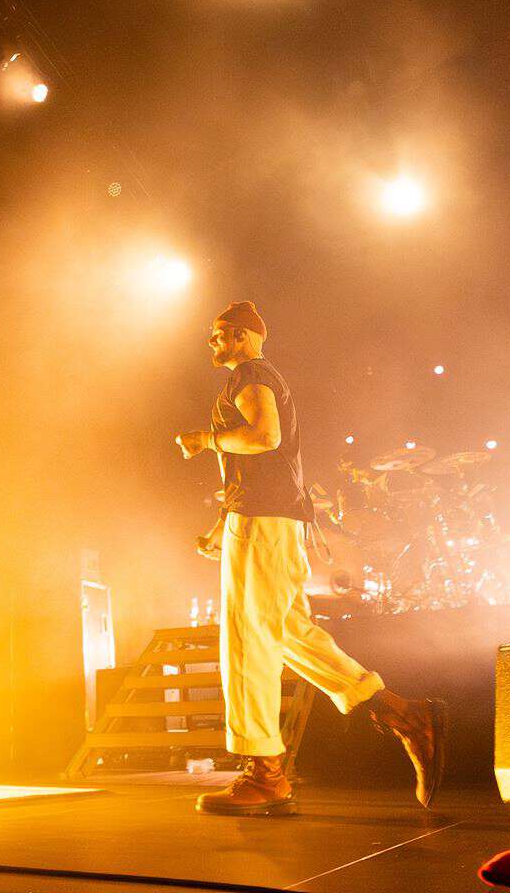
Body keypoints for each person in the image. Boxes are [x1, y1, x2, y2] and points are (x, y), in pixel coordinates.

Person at [174, 300, 447, 816]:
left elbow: (264, 438)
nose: (211, 343)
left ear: (242, 336)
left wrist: (205, 440)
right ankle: (403, 715)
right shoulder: (253, 378)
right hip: (261, 520)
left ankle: (266, 773)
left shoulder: (251, 374)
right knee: (286, 632)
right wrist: (220, 528)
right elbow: (256, 466)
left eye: (218, 334)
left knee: (249, 639)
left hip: (263, 522)